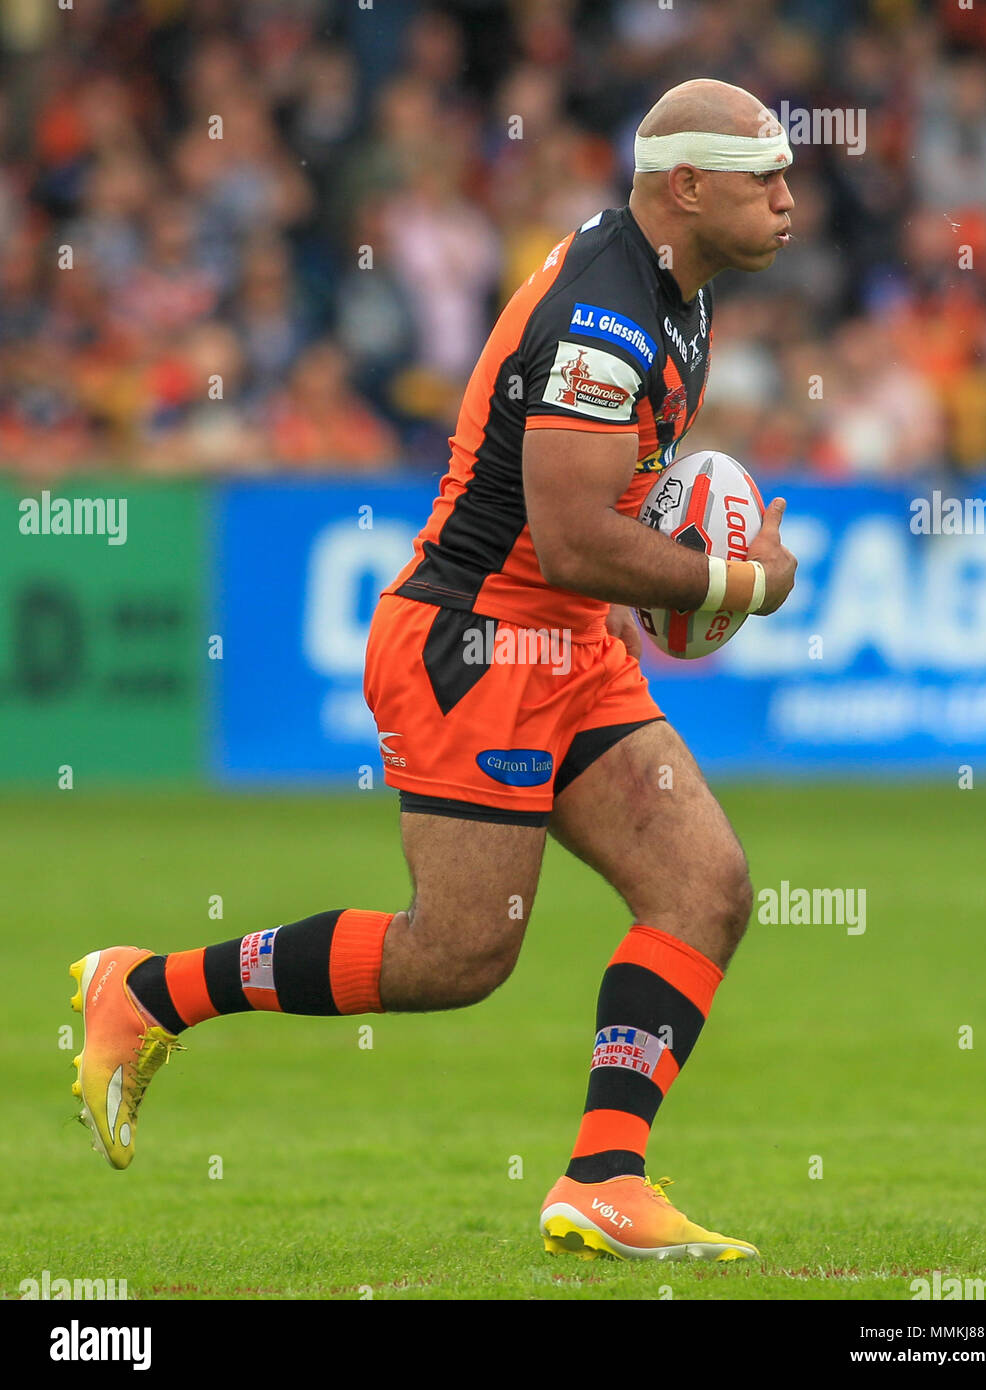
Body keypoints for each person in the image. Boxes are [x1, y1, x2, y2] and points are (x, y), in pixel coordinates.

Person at [69, 79, 798, 1263]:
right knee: (459, 955)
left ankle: (605, 1176)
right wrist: (741, 584)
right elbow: (569, 536)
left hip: (565, 634)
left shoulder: (678, 292)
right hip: (478, 637)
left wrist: (624, 601)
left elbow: (584, 523)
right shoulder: (607, 319)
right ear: (685, 187)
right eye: (762, 173)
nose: (787, 195)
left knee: (704, 885)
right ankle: (149, 990)